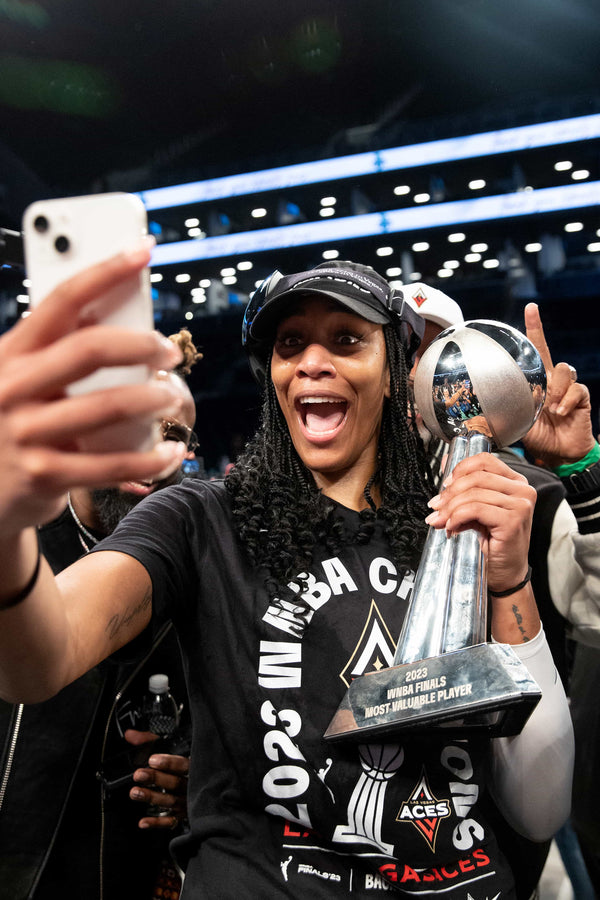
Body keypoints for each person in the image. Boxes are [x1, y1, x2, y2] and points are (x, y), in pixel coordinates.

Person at [0, 247, 574, 899]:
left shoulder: (466, 520)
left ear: (395, 371)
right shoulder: (201, 519)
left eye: (347, 339)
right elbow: (38, 662)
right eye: (290, 342)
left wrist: (506, 581)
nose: (311, 361)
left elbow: (540, 808)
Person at [404, 280, 600, 897]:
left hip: (516, 800)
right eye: (404, 355)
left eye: (440, 358)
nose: (425, 379)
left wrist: (580, 471)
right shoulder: (341, 499)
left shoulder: (534, 494)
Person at [0, 325, 201, 900]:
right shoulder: (16, 542)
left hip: (119, 872)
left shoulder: (197, 572)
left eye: (173, 433)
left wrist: (195, 777)